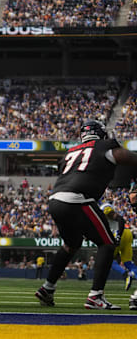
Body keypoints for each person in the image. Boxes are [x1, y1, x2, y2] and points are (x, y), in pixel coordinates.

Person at [35, 120, 137, 310]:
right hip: (78, 199)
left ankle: (47, 288)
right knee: (107, 243)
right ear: (101, 134)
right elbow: (128, 158)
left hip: (55, 200)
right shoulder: (106, 146)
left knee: (71, 244)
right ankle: (95, 296)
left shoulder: (71, 151)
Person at [99, 202, 137, 290]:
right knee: (128, 263)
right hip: (128, 234)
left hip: (120, 233)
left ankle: (125, 274)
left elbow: (120, 219)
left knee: (107, 260)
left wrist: (119, 235)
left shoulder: (104, 208)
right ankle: (130, 274)